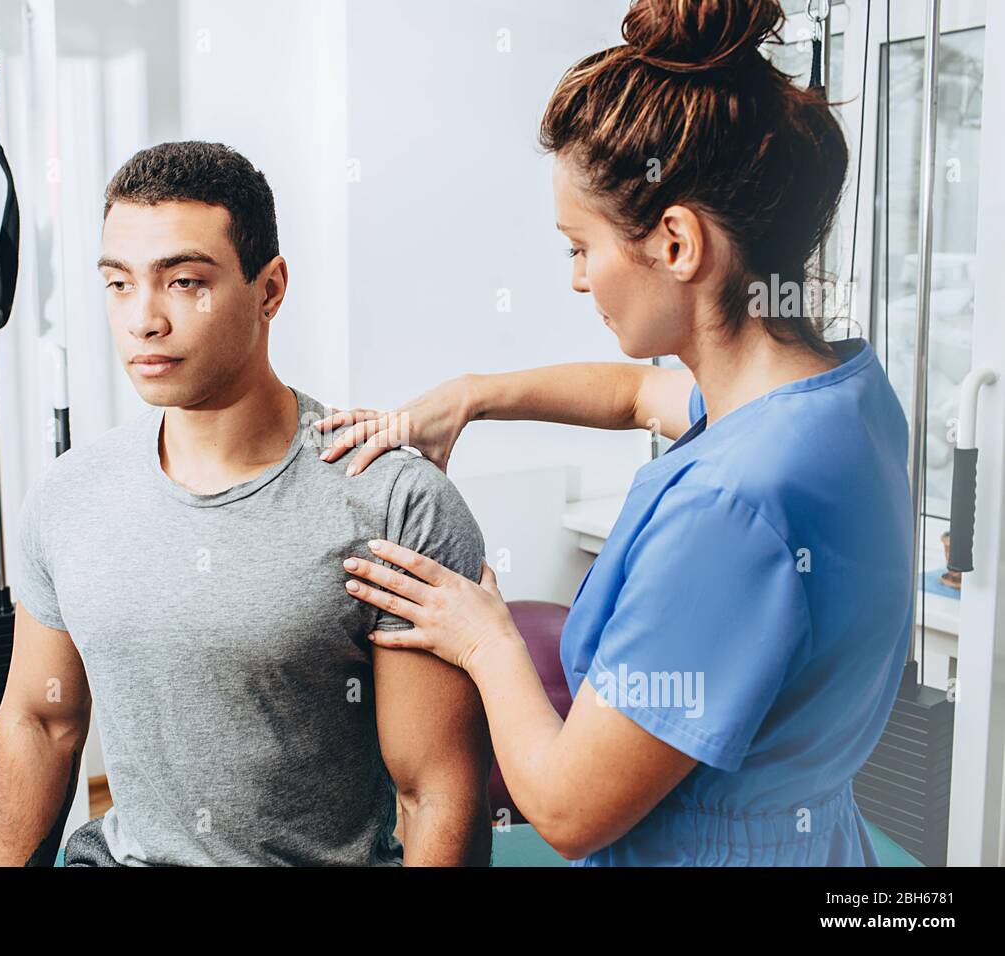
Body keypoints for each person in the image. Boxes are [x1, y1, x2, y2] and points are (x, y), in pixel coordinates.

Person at [320, 0, 914, 866]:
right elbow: (638, 397)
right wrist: (473, 396)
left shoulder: (730, 510)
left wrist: (486, 637)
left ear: (675, 241)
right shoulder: (835, 399)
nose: (573, 279)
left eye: (579, 247)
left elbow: (563, 809)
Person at [0, 141, 493, 866]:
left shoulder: (393, 504)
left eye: (184, 281)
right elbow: (41, 721)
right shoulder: (68, 498)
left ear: (270, 289)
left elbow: (436, 790)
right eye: (119, 284)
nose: (144, 320)